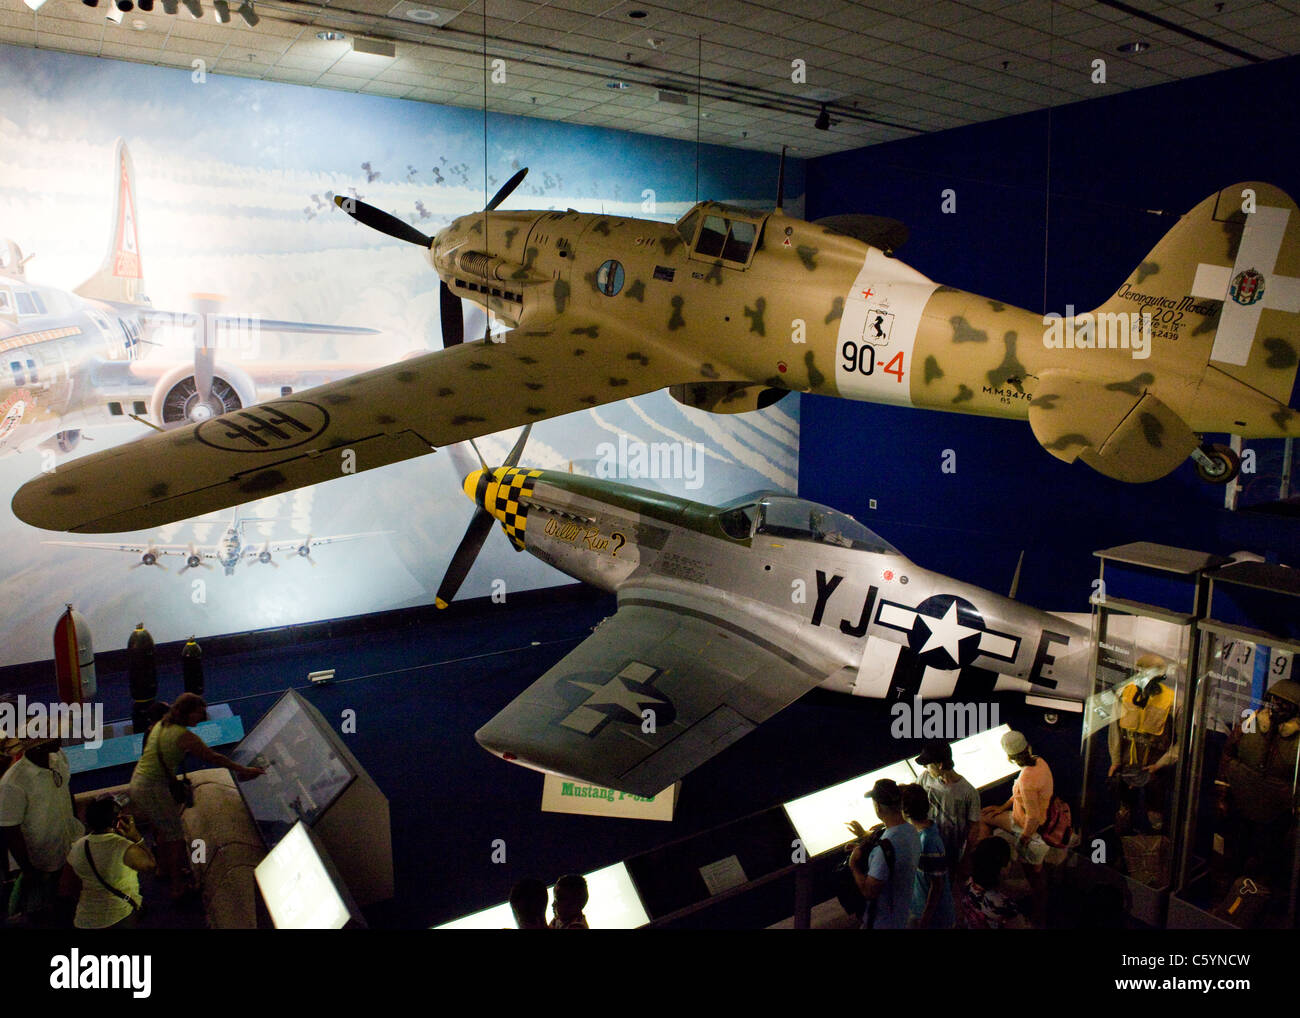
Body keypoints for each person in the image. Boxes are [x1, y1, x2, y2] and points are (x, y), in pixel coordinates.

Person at [128, 693, 263, 900]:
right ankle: (178, 887)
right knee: (175, 837)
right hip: (152, 788)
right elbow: (213, 757)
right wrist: (242, 769)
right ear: (189, 712)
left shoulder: (161, 725)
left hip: (140, 782)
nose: (202, 717)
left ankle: (163, 869)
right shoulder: (183, 736)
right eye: (199, 713)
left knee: (163, 829)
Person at [0, 735, 83, 923]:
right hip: (40, 858)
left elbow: (65, 789)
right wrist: (28, 869)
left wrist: (75, 827)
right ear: (37, 747)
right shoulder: (13, 782)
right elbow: (10, 829)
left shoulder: (59, 757)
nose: (59, 737)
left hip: (67, 846)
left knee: (69, 902)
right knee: (43, 911)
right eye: (52, 737)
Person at [61, 797, 155, 929]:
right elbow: (150, 864)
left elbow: (66, 886)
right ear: (116, 821)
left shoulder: (77, 846)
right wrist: (136, 837)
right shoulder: (125, 847)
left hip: (85, 920)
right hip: (118, 916)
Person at [846, 778, 920, 930]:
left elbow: (869, 891)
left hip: (884, 922)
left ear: (878, 807)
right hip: (905, 913)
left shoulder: (883, 850)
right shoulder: (912, 831)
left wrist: (853, 865)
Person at [981, 729, 1052, 868]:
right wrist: (1002, 807)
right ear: (1028, 747)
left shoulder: (1026, 780)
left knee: (982, 816)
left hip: (1026, 824)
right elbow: (1023, 795)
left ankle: (988, 864)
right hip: (1042, 814)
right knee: (1035, 872)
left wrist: (1024, 839)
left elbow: (1033, 817)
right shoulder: (1039, 761)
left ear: (1009, 757)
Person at [916, 739, 982, 875]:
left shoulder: (969, 793)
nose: (924, 768)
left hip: (951, 849)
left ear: (939, 765)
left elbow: (974, 827)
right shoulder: (925, 778)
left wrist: (965, 857)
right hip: (929, 844)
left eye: (927, 764)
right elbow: (912, 795)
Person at [902, 783, 955, 929]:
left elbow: (937, 886)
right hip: (920, 908)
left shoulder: (929, 841)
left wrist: (925, 920)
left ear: (905, 812)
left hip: (936, 918)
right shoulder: (917, 831)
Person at [956, 836, 1030, 929]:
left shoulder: (969, 883)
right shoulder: (1005, 907)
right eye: (1009, 860)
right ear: (1002, 868)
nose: (1011, 863)